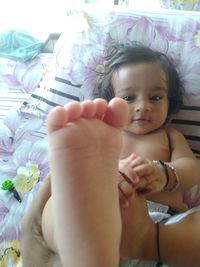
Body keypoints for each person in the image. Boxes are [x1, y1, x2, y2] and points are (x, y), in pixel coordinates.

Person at [21, 44, 200, 267]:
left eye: (155, 97)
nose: (143, 106)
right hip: (98, 217)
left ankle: (136, 242)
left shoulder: (170, 135)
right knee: (63, 204)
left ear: (170, 101)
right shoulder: (102, 135)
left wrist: (164, 173)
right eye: (128, 98)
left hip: (161, 230)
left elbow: (192, 169)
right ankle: (75, 246)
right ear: (110, 101)